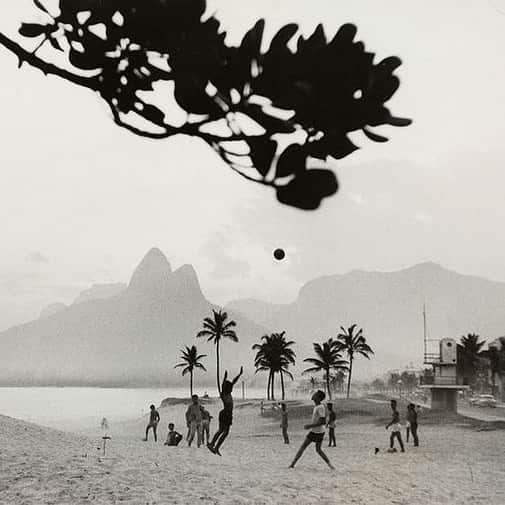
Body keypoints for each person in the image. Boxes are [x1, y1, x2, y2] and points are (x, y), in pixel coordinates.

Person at [289, 390, 334, 469]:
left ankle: (292, 464)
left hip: (316, 432)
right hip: (319, 432)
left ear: (318, 398)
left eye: (315, 394)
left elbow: (322, 421)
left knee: (303, 447)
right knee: (318, 450)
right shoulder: (318, 406)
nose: (313, 395)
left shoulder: (320, 407)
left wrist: (310, 426)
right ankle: (330, 465)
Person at [207, 366, 243, 456]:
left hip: (228, 414)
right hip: (225, 413)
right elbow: (224, 385)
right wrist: (224, 378)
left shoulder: (228, 393)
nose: (231, 389)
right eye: (230, 388)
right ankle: (214, 445)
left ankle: (214, 446)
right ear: (227, 388)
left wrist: (239, 374)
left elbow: (233, 382)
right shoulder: (224, 394)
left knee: (222, 431)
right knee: (224, 431)